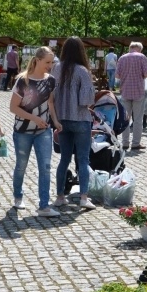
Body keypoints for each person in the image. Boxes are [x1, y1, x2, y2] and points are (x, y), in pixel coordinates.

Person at [9, 46, 62, 216]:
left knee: (45, 167)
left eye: (52, 62)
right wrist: (34, 118)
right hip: (22, 131)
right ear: (37, 60)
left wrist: (55, 121)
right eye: (47, 62)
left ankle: (44, 206)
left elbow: (51, 103)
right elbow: (13, 107)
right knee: (21, 166)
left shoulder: (51, 80)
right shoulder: (23, 81)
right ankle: (18, 197)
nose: (50, 65)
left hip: (43, 131)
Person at [52, 37, 96, 211]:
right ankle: (84, 197)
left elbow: (51, 95)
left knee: (64, 159)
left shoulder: (56, 68)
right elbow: (86, 100)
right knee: (83, 159)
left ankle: (60, 196)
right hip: (80, 120)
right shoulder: (82, 71)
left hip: (61, 120)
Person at [116, 41, 147, 151]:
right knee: (138, 119)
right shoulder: (142, 57)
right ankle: (135, 143)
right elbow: (146, 74)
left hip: (125, 91)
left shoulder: (122, 58)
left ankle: (125, 143)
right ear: (139, 49)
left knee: (125, 119)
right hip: (138, 91)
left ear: (130, 48)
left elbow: (117, 75)